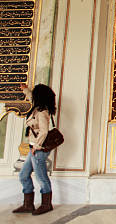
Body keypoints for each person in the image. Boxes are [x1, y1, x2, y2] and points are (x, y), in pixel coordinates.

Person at [12, 82, 56, 215]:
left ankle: (46, 204)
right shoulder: (38, 107)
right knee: (23, 175)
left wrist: (36, 147)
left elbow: (44, 132)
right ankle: (28, 204)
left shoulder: (42, 112)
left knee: (41, 177)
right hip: (34, 148)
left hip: (39, 149)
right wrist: (26, 90)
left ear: (40, 97)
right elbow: (32, 97)